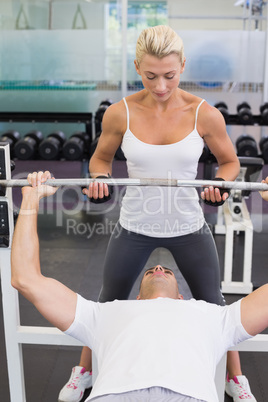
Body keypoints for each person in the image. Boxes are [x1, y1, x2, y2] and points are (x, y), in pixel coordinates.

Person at [59, 24, 253, 402]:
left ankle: (235, 378)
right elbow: (100, 159)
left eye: (169, 75)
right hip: (135, 224)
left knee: (214, 302)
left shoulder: (204, 114)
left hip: (188, 226)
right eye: (150, 76)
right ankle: (83, 370)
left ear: (183, 65)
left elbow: (229, 163)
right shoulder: (120, 114)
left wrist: (220, 184)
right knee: (108, 300)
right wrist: (98, 177)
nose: (161, 85)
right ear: (137, 67)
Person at [11, 173, 268, 402]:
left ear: (182, 298)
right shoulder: (105, 314)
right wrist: (30, 198)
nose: (158, 268)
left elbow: (26, 278)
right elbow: (25, 279)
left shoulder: (214, 317)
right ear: (135, 298)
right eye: (155, 270)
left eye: (166, 270)